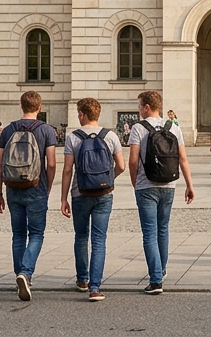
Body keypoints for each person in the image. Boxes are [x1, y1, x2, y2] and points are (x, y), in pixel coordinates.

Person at [126, 90, 195, 295]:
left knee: (149, 232)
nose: (138, 110)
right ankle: (161, 270)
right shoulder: (173, 126)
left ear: (147, 107)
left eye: (139, 106)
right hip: (169, 184)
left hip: (146, 185)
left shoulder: (138, 128)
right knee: (163, 228)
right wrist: (189, 184)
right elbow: (183, 158)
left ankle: (156, 280)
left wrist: (134, 182)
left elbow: (132, 160)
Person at [0, 90, 59, 301]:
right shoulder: (47, 130)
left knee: (18, 235)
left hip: (13, 187)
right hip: (36, 187)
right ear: (39, 108)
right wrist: (48, 186)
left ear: (21, 106)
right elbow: (51, 163)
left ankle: (19, 276)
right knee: (37, 234)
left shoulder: (8, 130)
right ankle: (26, 273)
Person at [60, 96, 125, 301]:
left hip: (80, 193)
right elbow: (121, 166)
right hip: (104, 194)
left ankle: (82, 279)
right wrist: (108, 180)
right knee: (99, 240)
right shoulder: (111, 136)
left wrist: (63, 198)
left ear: (82, 114)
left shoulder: (73, 137)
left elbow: (68, 170)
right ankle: (95, 288)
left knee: (81, 237)